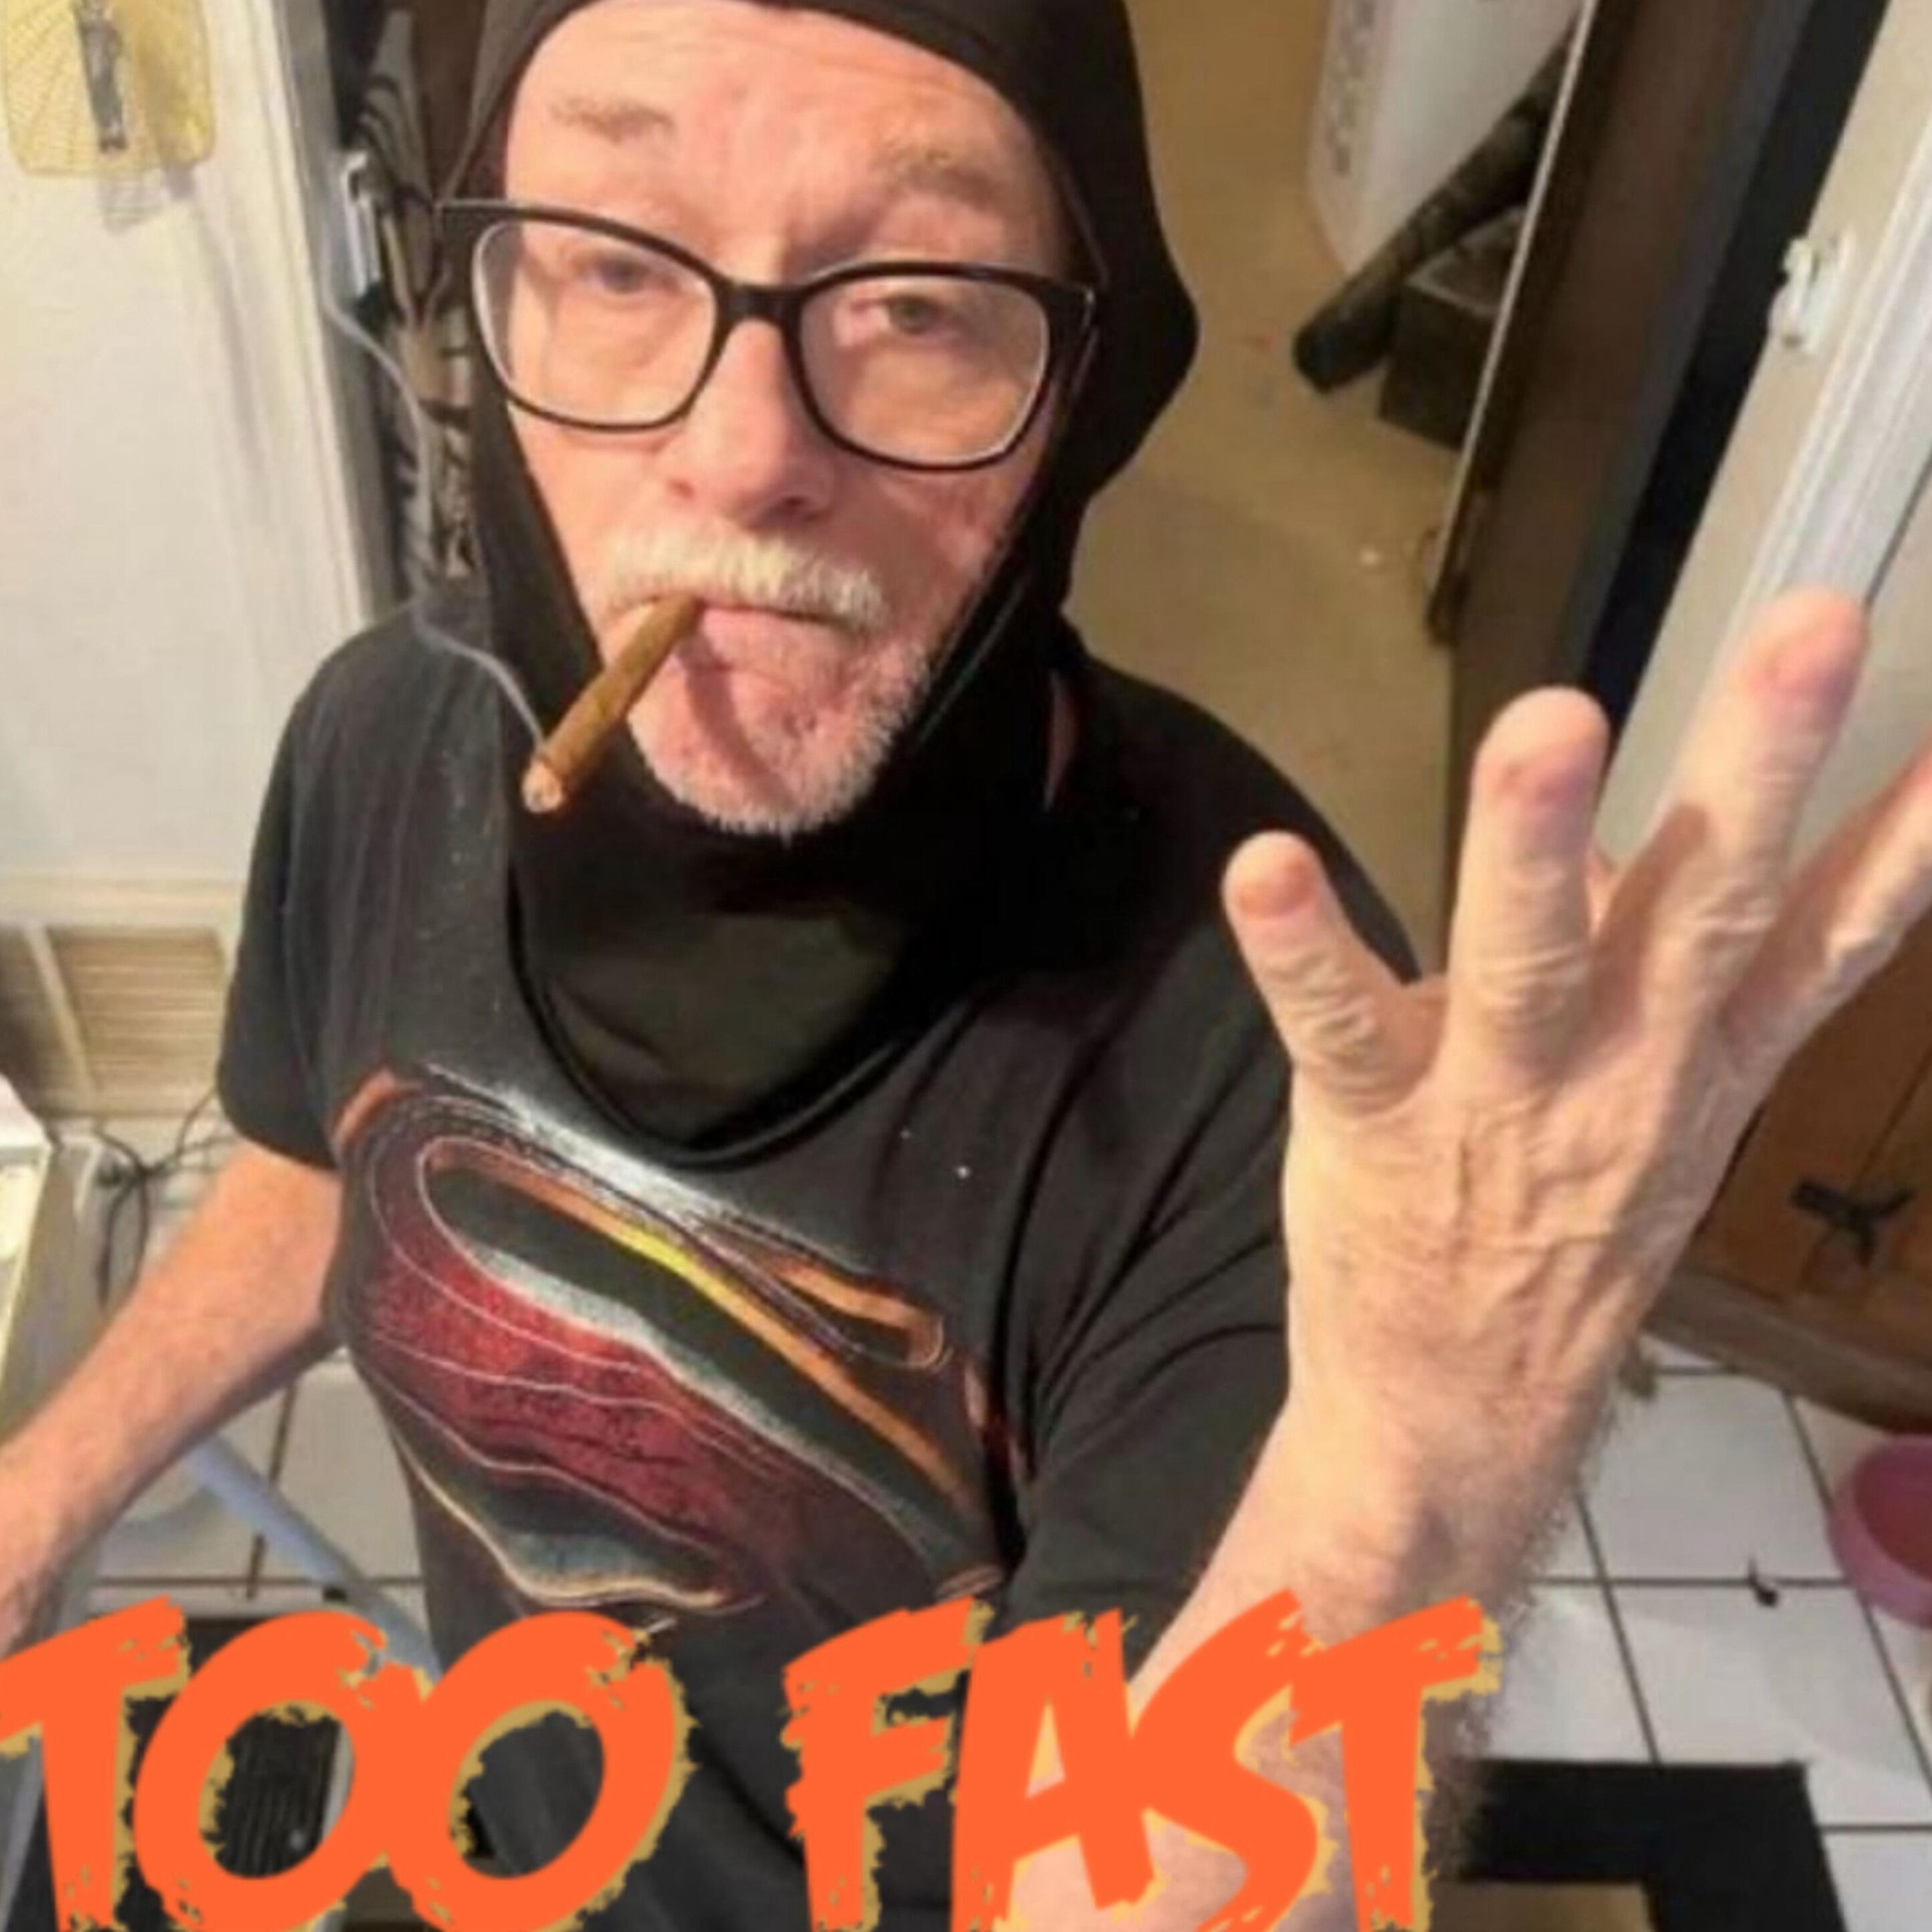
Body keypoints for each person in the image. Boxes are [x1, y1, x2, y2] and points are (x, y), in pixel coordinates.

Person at [3, 1, 1928, 1926]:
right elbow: (332, 1146)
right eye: (614, 263)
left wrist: (1413, 1468)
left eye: (915, 305)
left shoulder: (1261, 1063)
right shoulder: (380, 736)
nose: (740, 453)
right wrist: (36, 1503)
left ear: (1084, 387)